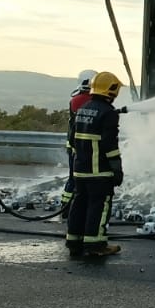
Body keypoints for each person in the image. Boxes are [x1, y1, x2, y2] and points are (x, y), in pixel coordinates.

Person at [67, 71, 125, 258]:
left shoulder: (83, 109)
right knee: (99, 206)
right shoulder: (108, 113)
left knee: (79, 203)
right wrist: (116, 169)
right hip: (99, 171)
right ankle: (96, 244)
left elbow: (72, 139)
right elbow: (110, 146)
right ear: (111, 89)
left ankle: (74, 242)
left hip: (80, 169)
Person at [61, 70, 98, 208]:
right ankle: (75, 207)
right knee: (84, 179)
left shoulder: (75, 99)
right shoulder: (87, 100)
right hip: (83, 147)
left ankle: (65, 206)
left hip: (74, 146)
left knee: (73, 178)